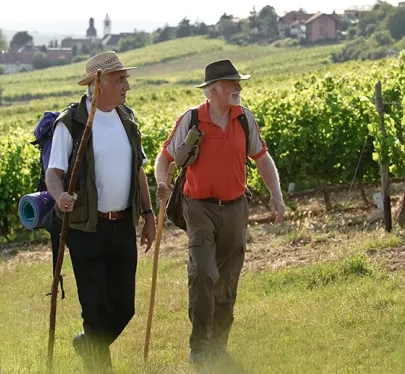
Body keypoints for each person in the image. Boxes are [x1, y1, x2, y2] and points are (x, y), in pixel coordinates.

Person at [155, 59, 285, 365]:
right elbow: (165, 158)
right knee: (202, 272)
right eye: (231, 84)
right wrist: (162, 181)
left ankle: (218, 344)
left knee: (227, 278)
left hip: (236, 208)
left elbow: (262, 159)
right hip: (198, 207)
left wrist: (276, 195)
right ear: (213, 90)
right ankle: (199, 345)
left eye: (238, 83)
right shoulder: (192, 120)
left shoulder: (244, 118)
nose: (238, 88)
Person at [46, 51, 156, 372]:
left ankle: (87, 344)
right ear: (98, 83)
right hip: (86, 230)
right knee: (94, 309)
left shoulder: (127, 118)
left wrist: (148, 216)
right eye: (119, 79)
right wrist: (60, 197)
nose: (127, 85)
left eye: (126, 78)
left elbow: (139, 171)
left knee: (124, 308)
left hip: (122, 227)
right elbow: (54, 173)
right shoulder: (71, 124)